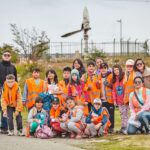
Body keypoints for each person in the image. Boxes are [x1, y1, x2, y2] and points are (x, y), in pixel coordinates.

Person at [0, 50, 17, 133]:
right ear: (2, 56)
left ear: (10, 56)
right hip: (0, 89)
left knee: (7, 108)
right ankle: (3, 127)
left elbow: (15, 80)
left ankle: (5, 127)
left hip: (11, 92)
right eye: (5, 55)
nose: (6, 56)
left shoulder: (13, 67)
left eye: (8, 55)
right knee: (2, 107)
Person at [112, 64, 127, 134]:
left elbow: (126, 89)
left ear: (120, 69)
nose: (116, 71)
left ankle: (125, 127)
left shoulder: (124, 77)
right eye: (114, 70)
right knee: (121, 114)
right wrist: (115, 100)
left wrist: (125, 98)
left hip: (125, 100)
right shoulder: (115, 80)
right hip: (119, 101)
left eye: (117, 69)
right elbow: (114, 91)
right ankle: (123, 127)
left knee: (125, 114)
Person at [99, 63, 114, 133]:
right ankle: (104, 127)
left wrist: (109, 84)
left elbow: (114, 86)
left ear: (107, 69)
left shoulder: (111, 76)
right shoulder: (98, 76)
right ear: (99, 69)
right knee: (103, 114)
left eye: (105, 68)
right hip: (101, 99)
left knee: (111, 114)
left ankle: (111, 128)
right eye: (101, 68)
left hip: (109, 99)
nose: (103, 69)